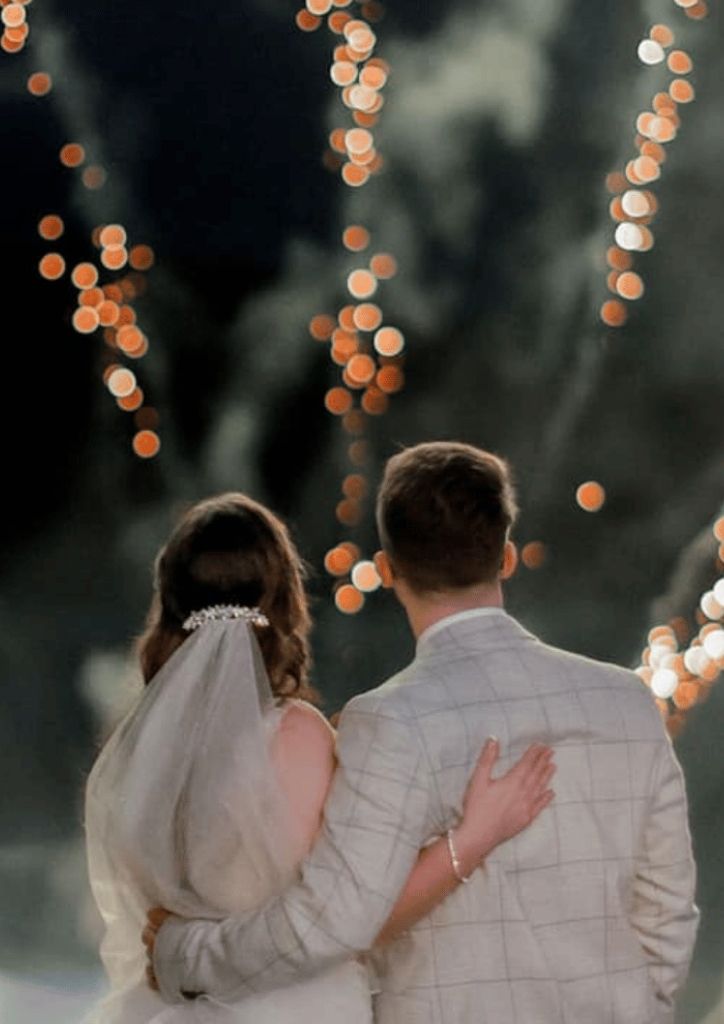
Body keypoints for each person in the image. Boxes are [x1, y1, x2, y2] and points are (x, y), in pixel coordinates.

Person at [148, 442, 699, 1024]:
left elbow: (328, 921)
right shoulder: (626, 702)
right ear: (506, 557)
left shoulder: (388, 723)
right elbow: (668, 912)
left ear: (387, 570)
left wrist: (183, 955)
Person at [83, 490, 554, 1024]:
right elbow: (350, 912)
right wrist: (470, 838)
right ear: (284, 599)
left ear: (170, 605)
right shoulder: (294, 736)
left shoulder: (146, 746)